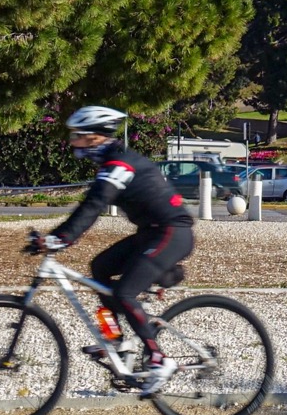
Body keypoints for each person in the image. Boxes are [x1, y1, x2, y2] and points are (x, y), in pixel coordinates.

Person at [35, 105, 193, 398]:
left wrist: (61, 239)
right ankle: (117, 339)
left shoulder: (119, 166)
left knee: (124, 293)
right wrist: (59, 237)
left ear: (95, 137)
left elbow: (94, 205)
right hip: (152, 231)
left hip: (173, 231)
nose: (72, 142)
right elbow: (90, 204)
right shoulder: (112, 163)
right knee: (100, 268)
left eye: (77, 136)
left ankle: (160, 359)